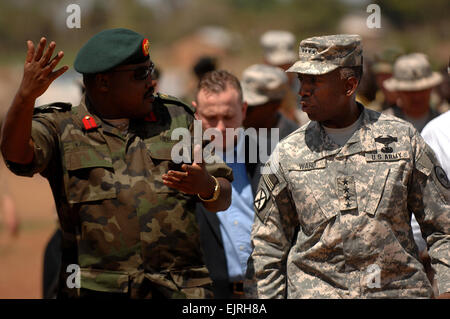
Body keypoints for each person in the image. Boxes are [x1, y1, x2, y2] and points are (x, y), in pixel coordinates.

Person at [0, 28, 233, 299]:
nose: (152, 82)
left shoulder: (177, 118)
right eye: (140, 75)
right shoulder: (62, 127)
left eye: (151, 70)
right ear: (103, 83)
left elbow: (223, 195)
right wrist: (25, 98)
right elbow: (16, 155)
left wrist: (208, 186)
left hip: (179, 291)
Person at [250, 34, 450, 298]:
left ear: (349, 85)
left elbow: (443, 226)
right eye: (301, 80)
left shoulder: (403, 140)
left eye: (315, 81)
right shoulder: (288, 153)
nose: (302, 91)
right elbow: (268, 245)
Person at [193, 70, 257, 298]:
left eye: (228, 117)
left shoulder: (270, 159)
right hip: (209, 293)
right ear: (196, 113)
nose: (220, 127)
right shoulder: (182, 163)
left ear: (243, 110)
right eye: (211, 117)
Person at [383, 53, 442, 133]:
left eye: (422, 90)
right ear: (398, 91)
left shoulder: (443, 124)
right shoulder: (383, 124)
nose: (417, 97)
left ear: (431, 88)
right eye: (409, 92)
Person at [260, 30, 308, 126]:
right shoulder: (255, 88)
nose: (284, 71)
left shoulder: (307, 87)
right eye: (278, 66)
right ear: (265, 62)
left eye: (287, 65)